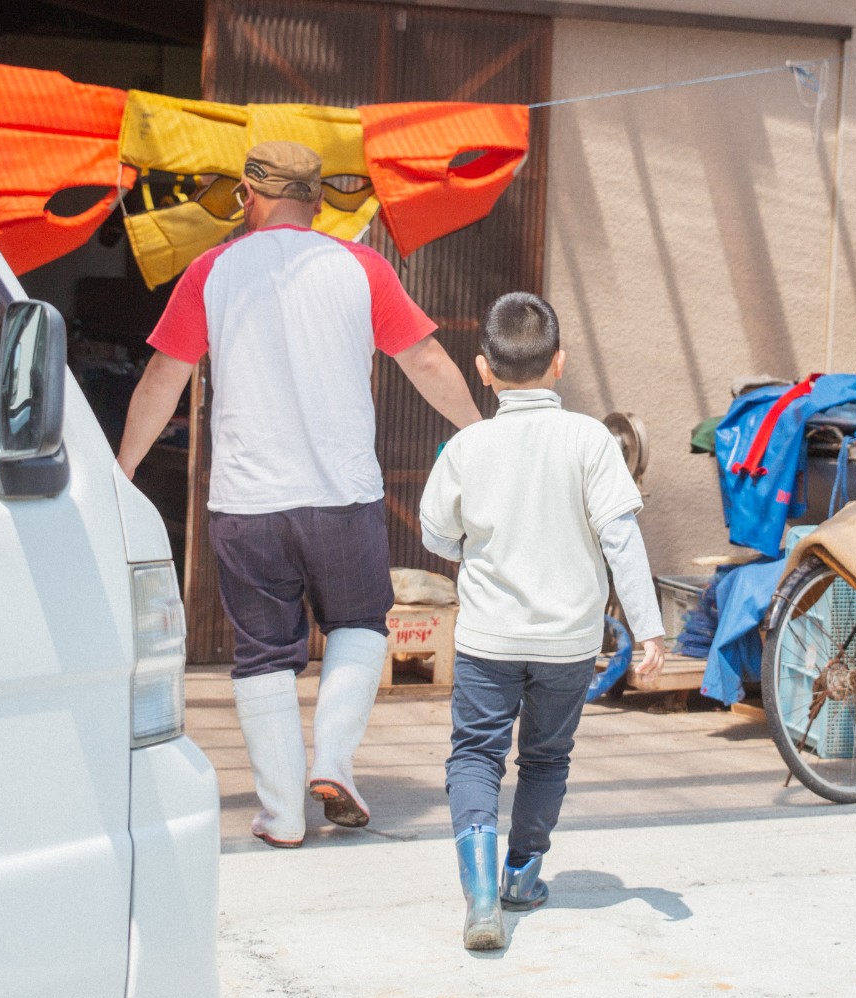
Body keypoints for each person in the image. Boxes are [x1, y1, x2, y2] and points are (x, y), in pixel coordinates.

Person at [117, 141, 482, 849]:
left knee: (263, 656)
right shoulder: (360, 267)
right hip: (341, 494)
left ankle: (282, 814)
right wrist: (477, 433)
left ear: (249, 197)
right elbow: (425, 359)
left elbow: (164, 375)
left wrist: (123, 468)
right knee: (358, 625)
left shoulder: (211, 271)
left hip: (246, 504)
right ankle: (335, 764)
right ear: (318, 202)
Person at [418, 292, 665, 950]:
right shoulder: (589, 440)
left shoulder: (467, 447)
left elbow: (435, 535)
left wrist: (476, 550)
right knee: (547, 759)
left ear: (482, 369)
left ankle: (477, 897)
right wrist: (649, 628)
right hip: (567, 643)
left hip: (487, 639)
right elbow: (621, 539)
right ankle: (522, 878)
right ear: (560, 363)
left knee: (475, 755)